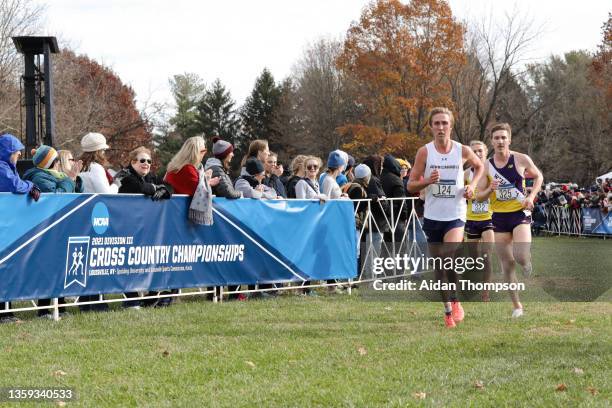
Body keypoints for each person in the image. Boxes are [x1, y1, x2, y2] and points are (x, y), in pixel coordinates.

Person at [408, 107, 484, 328]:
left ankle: (456, 300)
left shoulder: (462, 150)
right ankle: (448, 311)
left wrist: (472, 186)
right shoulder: (425, 152)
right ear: (431, 127)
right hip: (432, 216)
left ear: (451, 126)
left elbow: (479, 167)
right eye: (437, 123)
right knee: (439, 267)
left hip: (455, 213)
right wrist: (427, 181)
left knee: (448, 258)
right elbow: (411, 184)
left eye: (444, 123)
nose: (441, 127)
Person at [476, 122, 543, 318]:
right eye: (496, 138)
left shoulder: (521, 159)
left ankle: (527, 262)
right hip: (498, 218)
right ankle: (517, 306)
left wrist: (531, 197)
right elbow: (479, 196)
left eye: (503, 137)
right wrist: (490, 189)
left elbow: (538, 177)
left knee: (520, 256)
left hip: (519, 214)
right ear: (492, 141)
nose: (500, 141)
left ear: (509, 139)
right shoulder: (486, 166)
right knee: (507, 264)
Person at [23, 145, 83, 318]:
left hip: (62, 227)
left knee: (62, 267)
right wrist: (69, 179)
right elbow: (57, 197)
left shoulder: (60, 176)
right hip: (45, 227)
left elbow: (78, 194)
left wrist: (75, 180)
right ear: (54, 162)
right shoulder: (39, 177)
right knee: (48, 269)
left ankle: (61, 308)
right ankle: (44, 310)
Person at [116, 146, 173, 309]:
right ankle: (131, 301)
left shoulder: (150, 176)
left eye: (149, 161)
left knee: (151, 261)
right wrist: (157, 188)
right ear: (133, 162)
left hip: (146, 227)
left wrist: (164, 190)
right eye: (142, 161)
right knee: (127, 264)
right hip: (125, 226)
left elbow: (170, 187)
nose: (146, 164)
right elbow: (137, 187)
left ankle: (151, 298)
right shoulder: (125, 174)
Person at [0, 134, 40, 323]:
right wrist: (31, 185)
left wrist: (28, 187)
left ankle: (6, 312)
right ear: (8, 153)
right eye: (16, 153)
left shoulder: (8, 167)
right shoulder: (1, 167)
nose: (18, 156)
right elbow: (14, 185)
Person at [204, 137, 243, 300]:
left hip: (222, 220)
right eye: (231, 152)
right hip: (219, 221)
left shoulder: (218, 167)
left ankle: (219, 293)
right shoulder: (217, 169)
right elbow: (229, 193)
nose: (233, 155)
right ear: (224, 154)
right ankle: (215, 294)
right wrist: (241, 194)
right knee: (218, 258)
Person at [464, 141, 494, 302]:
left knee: (487, 255)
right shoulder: (465, 174)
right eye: (474, 151)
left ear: (486, 152)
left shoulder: (492, 173)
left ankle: (486, 291)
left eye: (480, 151)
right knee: (474, 257)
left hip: (489, 218)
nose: (478, 154)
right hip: (471, 219)